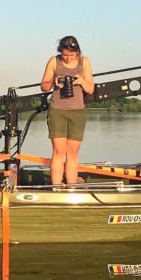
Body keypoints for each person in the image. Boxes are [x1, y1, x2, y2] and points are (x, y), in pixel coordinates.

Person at [40, 35, 95, 187]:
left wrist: (81, 81)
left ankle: (71, 188)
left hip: (78, 112)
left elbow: (90, 89)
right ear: (60, 51)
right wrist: (54, 82)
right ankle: (56, 188)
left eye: (72, 55)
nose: (68, 58)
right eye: (65, 55)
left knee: (72, 154)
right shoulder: (54, 61)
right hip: (57, 111)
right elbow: (43, 86)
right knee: (58, 152)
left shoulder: (84, 62)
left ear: (77, 52)